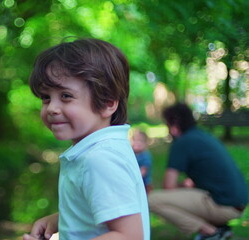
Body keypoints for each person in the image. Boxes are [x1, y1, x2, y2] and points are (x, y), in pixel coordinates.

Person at [22, 38, 150, 240]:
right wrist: (60, 219)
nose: (52, 108)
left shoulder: (99, 159)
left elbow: (130, 235)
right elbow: (100, 214)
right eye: (46, 97)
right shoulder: (100, 150)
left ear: (107, 103)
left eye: (65, 96)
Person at [148, 102, 248, 240]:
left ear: (174, 125)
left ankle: (211, 232)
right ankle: (220, 228)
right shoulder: (201, 135)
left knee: (152, 200)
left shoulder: (182, 142)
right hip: (238, 203)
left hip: (223, 206)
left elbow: (168, 186)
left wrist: (181, 187)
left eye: (167, 124)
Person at [131, 129, 153, 194]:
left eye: (141, 141)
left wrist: (134, 177)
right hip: (135, 182)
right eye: (135, 140)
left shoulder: (145, 156)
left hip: (144, 183)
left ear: (146, 144)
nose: (137, 143)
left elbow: (143, 171)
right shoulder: (132, 154)